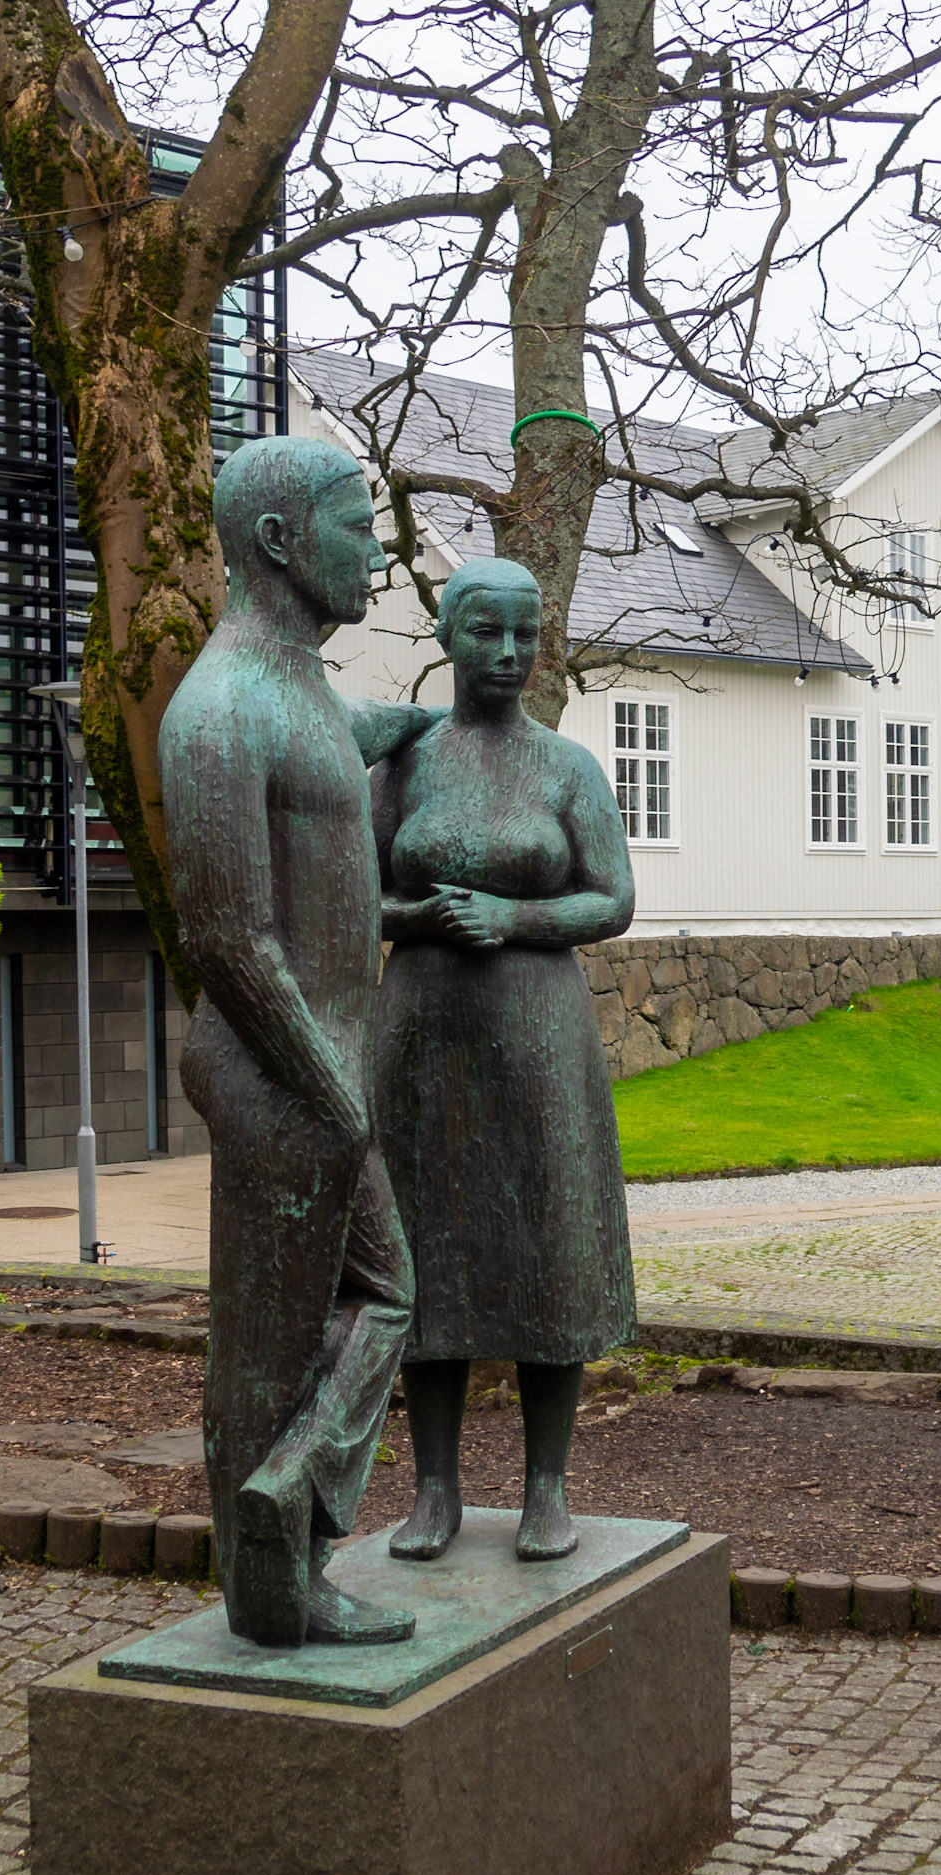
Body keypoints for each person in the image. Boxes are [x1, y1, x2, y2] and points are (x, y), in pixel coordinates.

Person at [159, 435, 437, 1648]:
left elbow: (352, 733)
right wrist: (333, 1093)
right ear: (278, 542)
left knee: (385, 1294)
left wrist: (434, 720)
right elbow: (227, 935)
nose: (378, 550)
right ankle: (273, 1589)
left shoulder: (303, 689)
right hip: (279, 1073)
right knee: (265, 1344)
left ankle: (288, 1505)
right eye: (356, 525)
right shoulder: (219, 707)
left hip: (320, 1073)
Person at [373, 557, 636, 1563]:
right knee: (427, 1251)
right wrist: (418, 912)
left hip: (536, 1036)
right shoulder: (402, 761)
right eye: (487, 632)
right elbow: (354, 892)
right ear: (445, 634)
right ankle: (433, 1489)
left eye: (525, 634)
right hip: (422, 1033)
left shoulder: (565, 767)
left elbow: (610, 897)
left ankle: (545, 1487)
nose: (509, 653)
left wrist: (515, 915)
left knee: (544, 1246)